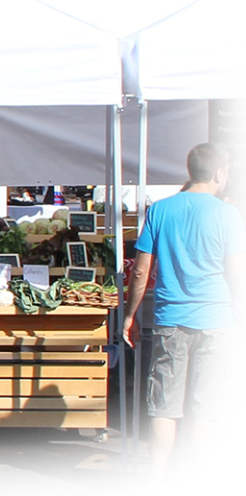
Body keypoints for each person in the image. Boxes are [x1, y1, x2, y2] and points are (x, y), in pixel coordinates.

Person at [123, 143, 246, 490]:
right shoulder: (228, 215)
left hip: (169, 319)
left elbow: (140, 272)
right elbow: (239, 278)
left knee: (165, 407)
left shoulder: (160, 210)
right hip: (216, 322)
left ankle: (155, 482)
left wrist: (130, 316)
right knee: (207, 410)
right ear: (220, 174)